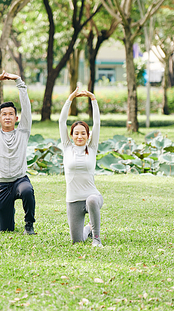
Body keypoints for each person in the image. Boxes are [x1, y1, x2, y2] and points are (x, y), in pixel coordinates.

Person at [0, 70, 36, 234]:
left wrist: (19, 82)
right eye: (4, 114)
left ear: (16, 118)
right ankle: (8, 211)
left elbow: (26, 107)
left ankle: (29, 224)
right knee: (6, 229)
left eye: (11, 114)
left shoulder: (23, 132)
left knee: (27, 191)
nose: (7, 117)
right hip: (1, 185)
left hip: (19, 180)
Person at [59, 87, 103, 247]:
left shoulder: (91, 148)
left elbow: (97, 122)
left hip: (92, 196)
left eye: (83, 133)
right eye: (76, 133)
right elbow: (61, 121)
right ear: (71, 135)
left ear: (88, 135)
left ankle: (97, 238)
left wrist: (93, 99)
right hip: (73, 200)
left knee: (91, 200)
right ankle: (89, 229)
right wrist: (70, 97)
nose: (79, 136)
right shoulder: (67, 147)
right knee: (77, 240)